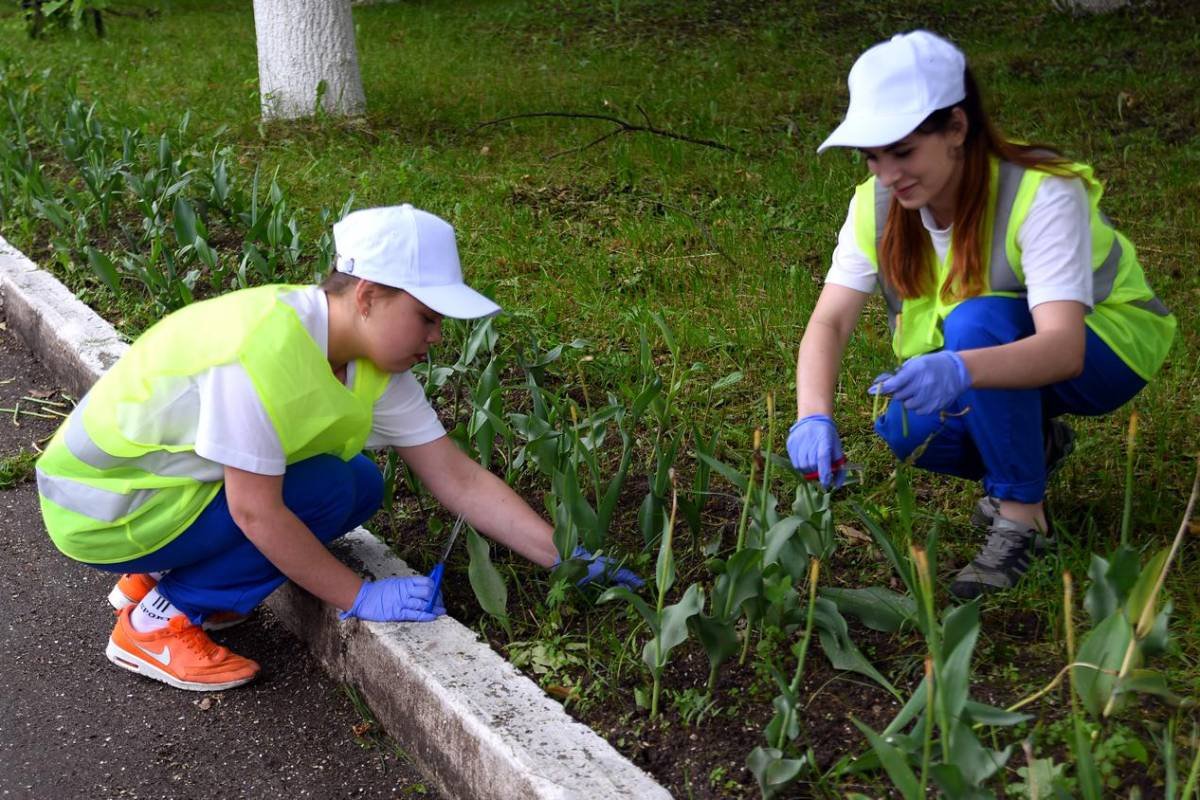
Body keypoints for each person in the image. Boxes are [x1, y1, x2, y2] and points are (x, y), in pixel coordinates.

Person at [36, 204, 642, 692]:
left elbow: (457, 478)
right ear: (370, 294)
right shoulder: (261, 351)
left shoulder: (371, 363)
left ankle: (155, 580)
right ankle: (157, 621)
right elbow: (255, 511)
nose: (436, 339)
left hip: (165, 492)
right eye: (427, 318)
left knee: (355, 482)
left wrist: (567, 556)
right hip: (102, 512)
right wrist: (359, 596)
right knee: (325, 490)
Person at [786, 31, 1175, 598]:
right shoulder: (876, 202)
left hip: (1106, 348)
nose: (887, 174)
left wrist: (961, 370)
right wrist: (811, 416)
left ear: (957, 129)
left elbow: (1063, 349)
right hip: (993, 353)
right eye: (873, 156)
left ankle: (1022, 516)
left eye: (903, 151)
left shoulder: (1040, 191)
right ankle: (1031, 446)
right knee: (905, 427)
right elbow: (831, 321)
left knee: (975, 324)